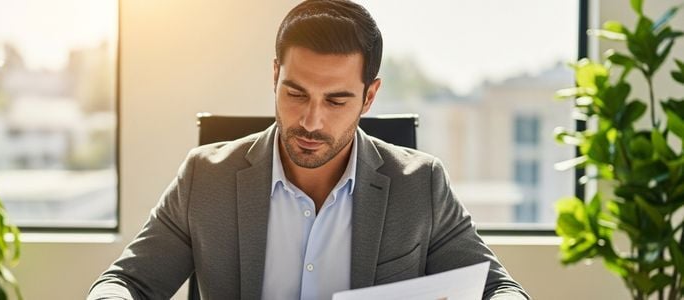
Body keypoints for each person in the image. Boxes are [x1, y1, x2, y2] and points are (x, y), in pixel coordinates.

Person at [88, 0, 529, 299]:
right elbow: (127, 282)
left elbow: (498, 290)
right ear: (275, 75)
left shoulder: (420, 185)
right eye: (295, 94)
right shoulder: (205, 177)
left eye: (336, 101)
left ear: (369, 97)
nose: (311, 122)